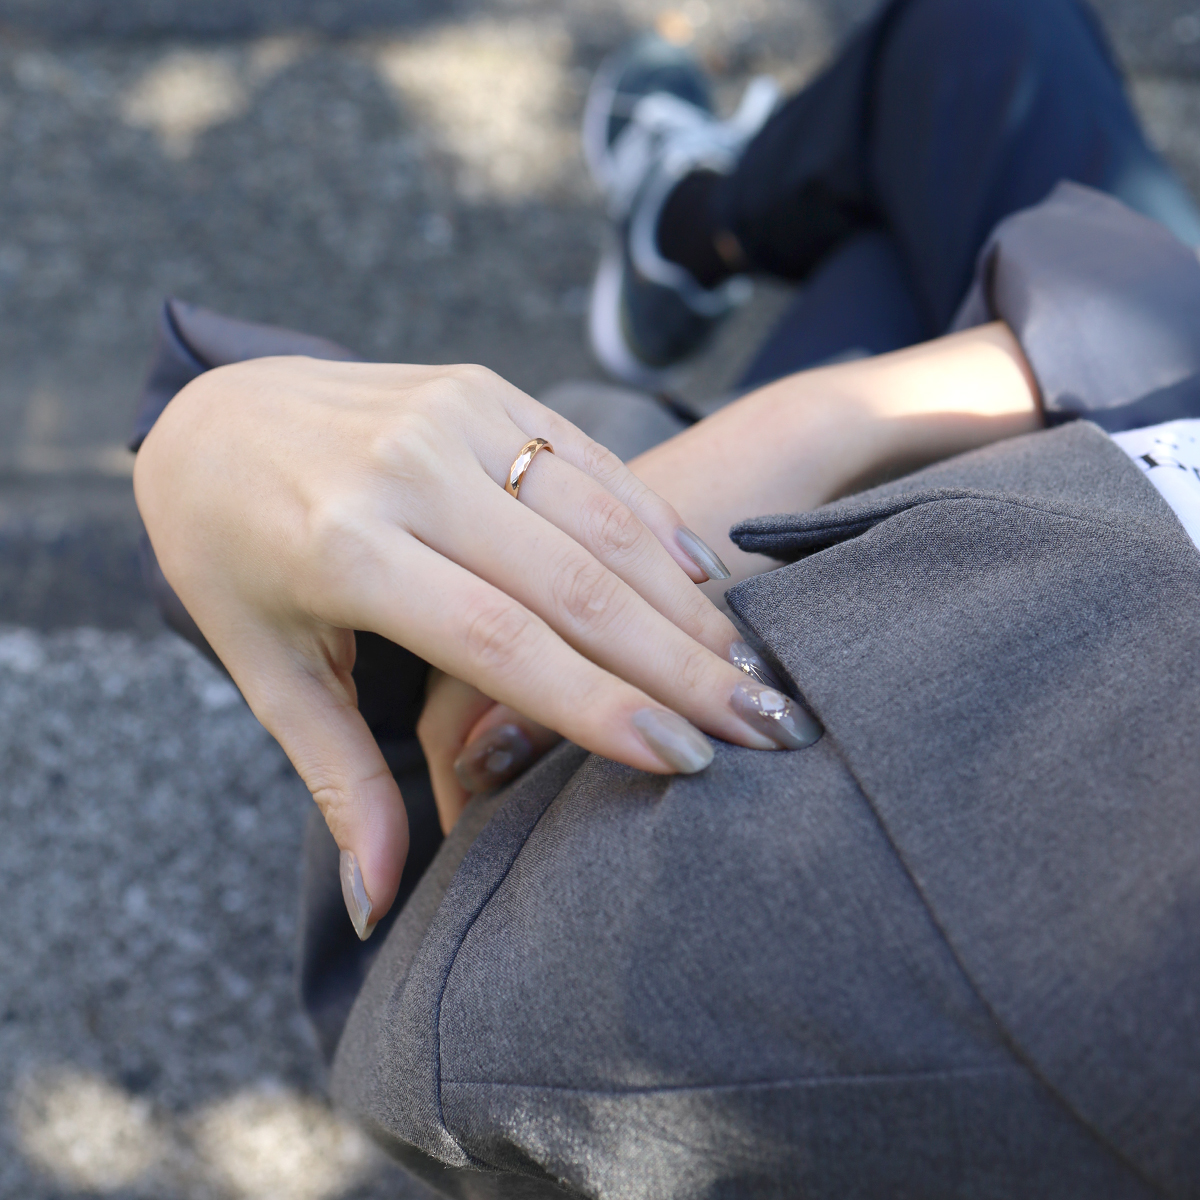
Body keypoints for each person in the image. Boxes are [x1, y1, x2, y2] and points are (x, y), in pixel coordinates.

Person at [131, 0, 1200, 1194]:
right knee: (986, 37)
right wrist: (837, 418)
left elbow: (456, 1024)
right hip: (1070, 431)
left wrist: (217, 447)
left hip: (928, 537)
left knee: (941, 129)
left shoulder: (927, 1005)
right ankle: (690, 227)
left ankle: (691, 227)